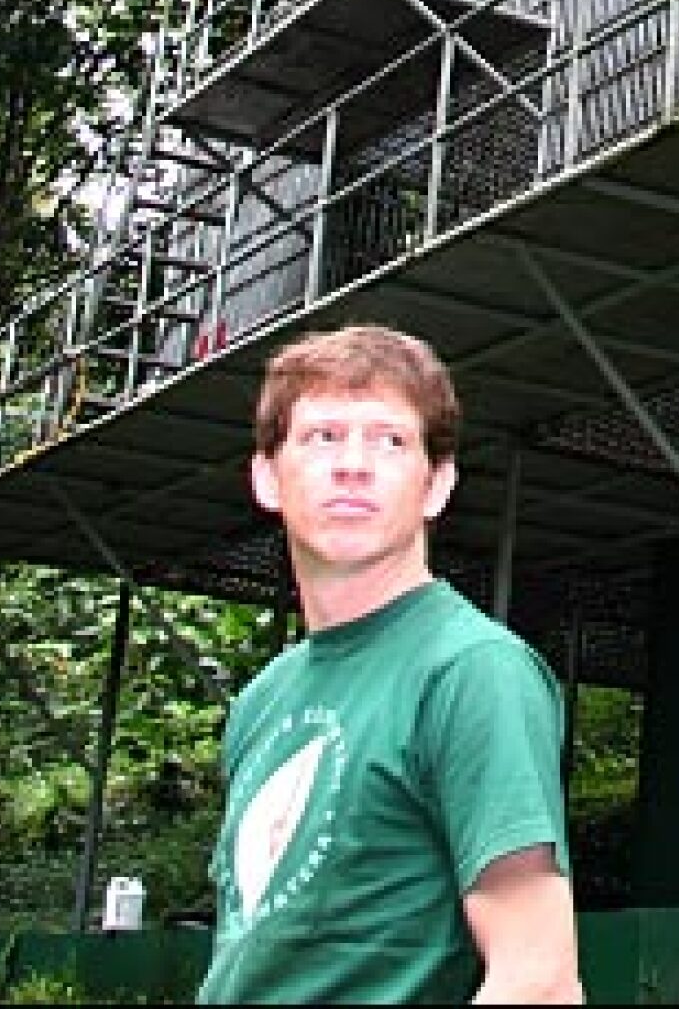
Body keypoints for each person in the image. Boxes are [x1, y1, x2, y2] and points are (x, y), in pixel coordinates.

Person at [197, 325, 583, 1004]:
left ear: (437, 485)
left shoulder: (474, 671)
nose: (354, 464)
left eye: (389, 439)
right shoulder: (261, 699)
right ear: (266, 475)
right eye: (323, 436)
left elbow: (540, 980)